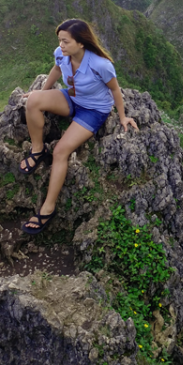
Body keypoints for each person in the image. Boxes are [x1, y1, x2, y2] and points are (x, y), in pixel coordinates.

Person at [19, 18, 138, 234]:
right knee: (33, 101)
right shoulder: (61, 54)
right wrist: (43, 92)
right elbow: (56, 70)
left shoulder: (100, 65)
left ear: (81, 43)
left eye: (66, 41)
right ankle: (37, 150)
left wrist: (122, 117)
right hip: (72, 99)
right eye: (60, 40)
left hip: (93, 111)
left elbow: (115, 90)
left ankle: (48, 207)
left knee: (61, 151)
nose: (61, 45)